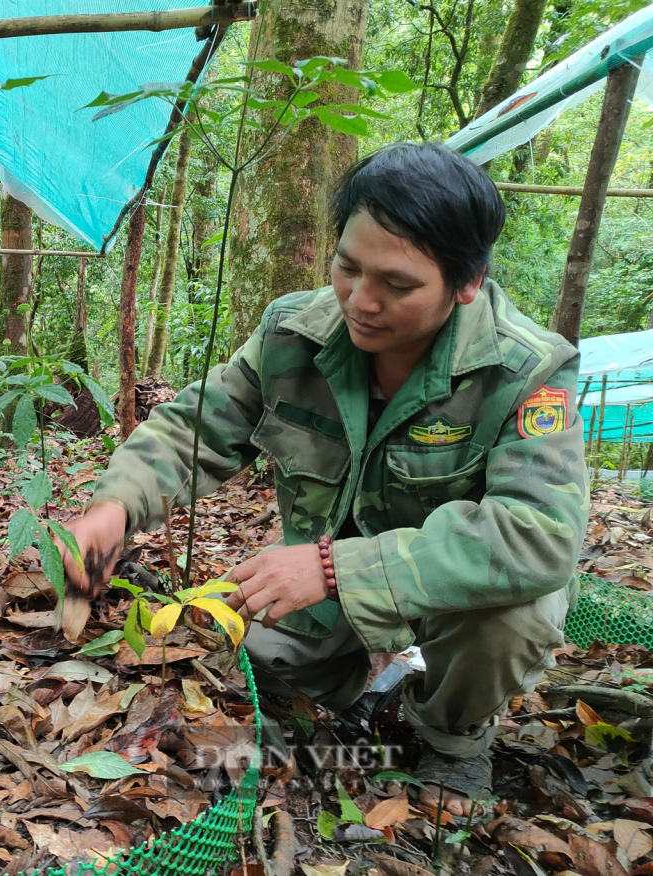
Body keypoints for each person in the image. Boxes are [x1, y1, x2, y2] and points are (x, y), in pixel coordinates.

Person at [59, 142, 587, 816]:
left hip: (451, 598)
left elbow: (539, 534)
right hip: (324, 589)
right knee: (245, 654)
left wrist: (339, 568)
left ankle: (453, 739)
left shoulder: (524, 372)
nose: (360, 302)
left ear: (467, 282)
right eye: (347, 268)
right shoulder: (296, 333)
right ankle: (363, 685)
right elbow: (199, 426)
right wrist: (115, 507)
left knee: (514, 618)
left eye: (396, 285)